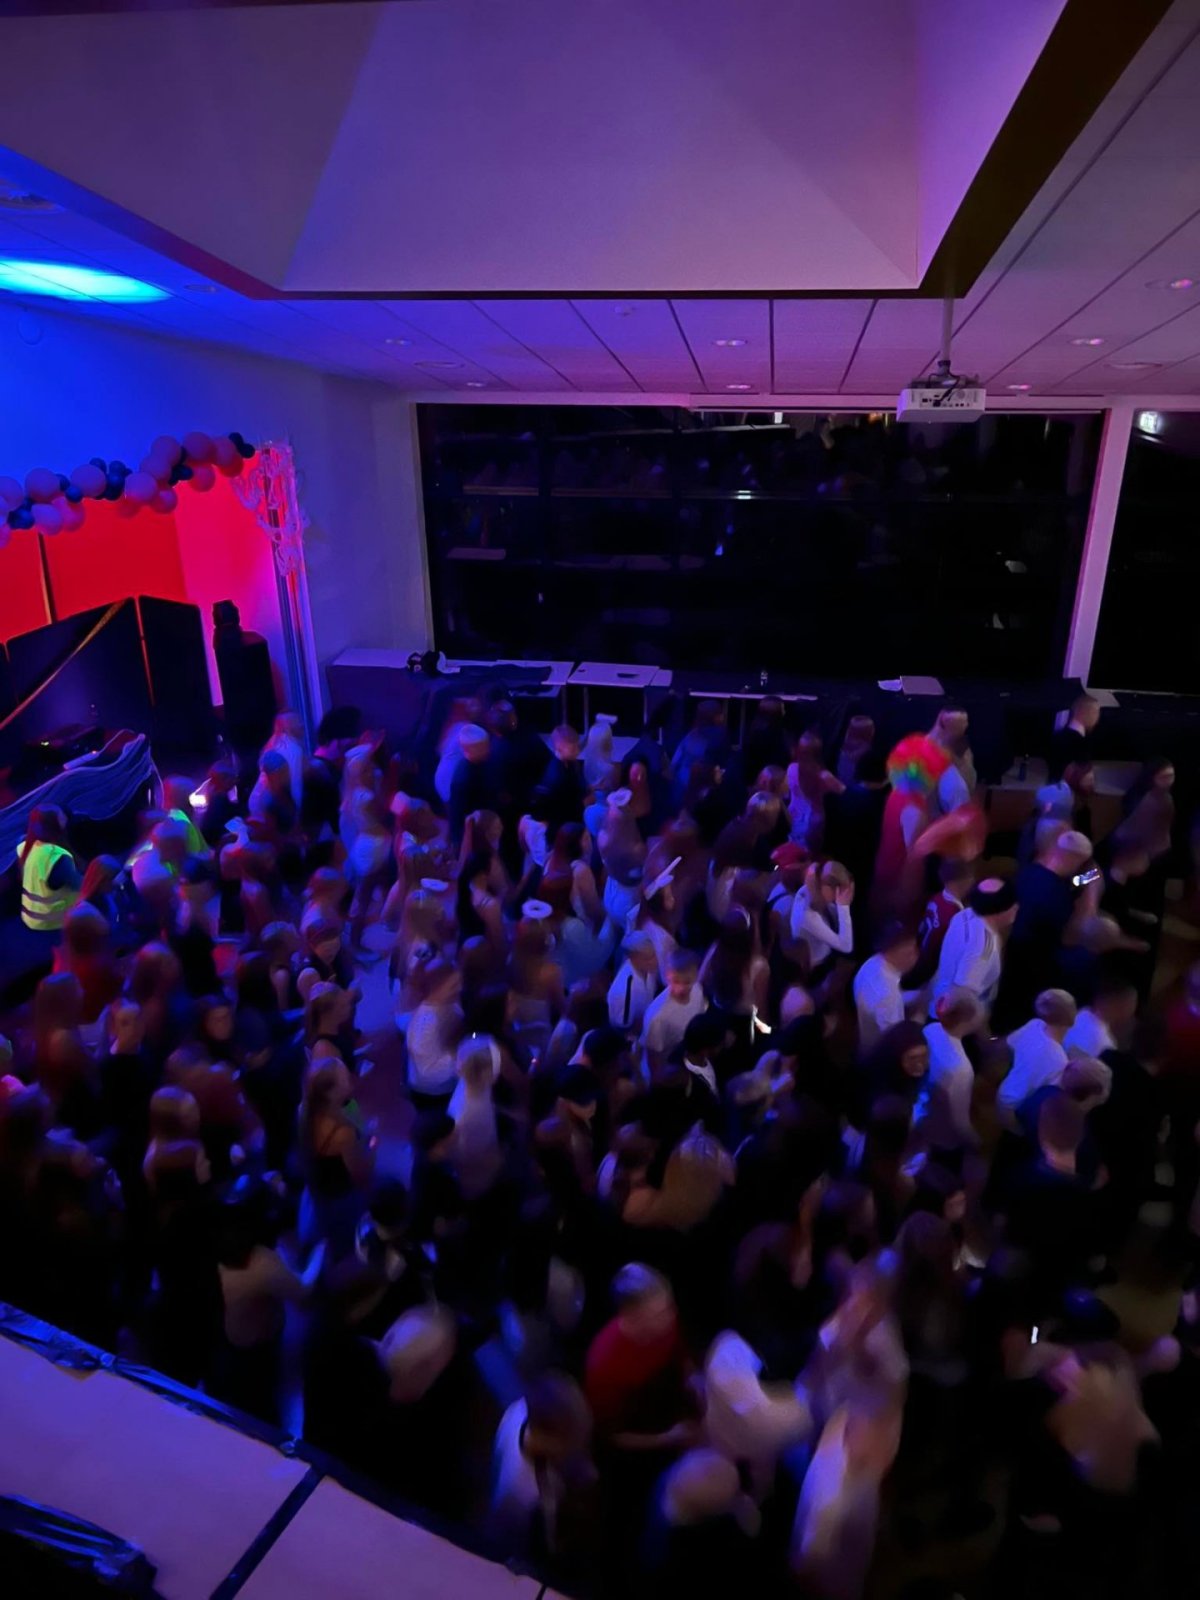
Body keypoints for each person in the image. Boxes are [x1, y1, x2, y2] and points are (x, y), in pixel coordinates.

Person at [931, 876, 1017, 1010]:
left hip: (938, 994)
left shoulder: (964, 914)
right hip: (951, 1015)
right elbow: (961, 998)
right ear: (999, 911)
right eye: (1012, 904)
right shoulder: (983, 948)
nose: (1017, 907)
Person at [997, 988, 1077, 1128]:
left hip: (1002, 1095)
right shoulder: (1059, 1060)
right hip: (1016, 1110)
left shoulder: (1034, 1025)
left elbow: (1009, 1046)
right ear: (1070, 1017)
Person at [853, 922, 920, 1054]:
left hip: (864, 1039)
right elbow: (896, 1041)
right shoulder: (888, 995)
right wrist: (919, 1018)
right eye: (911, 951)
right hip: (877, 1054)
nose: (916, 955)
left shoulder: (871, 963)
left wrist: (918, 995)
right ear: (896, 952)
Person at [640, 949, 706, 1081]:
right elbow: (653, 1057)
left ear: (696, 975)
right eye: (675, 981)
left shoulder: (698, 989)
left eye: (687, 982)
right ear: (667, 976)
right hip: (668, 1072)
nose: (681, 988)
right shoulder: (657, 1016)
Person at [19, 805, 80, 934]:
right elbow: (81, 886)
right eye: (61, 818)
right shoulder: (56, 858)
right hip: (57, 922)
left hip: (33, 918)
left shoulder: (24, 848)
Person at [607, 931, 661, 1036]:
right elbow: (624, 1027)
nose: (655, 961)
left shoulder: (648, 970)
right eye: (648, 958)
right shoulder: (623, 990)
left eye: (654, 955)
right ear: (633, 958)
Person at [1047, 692, 1100, 781]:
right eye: (1095, 712)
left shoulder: (1058, 736)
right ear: (1083, 712)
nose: (1096, 718)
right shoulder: (1080, 744)